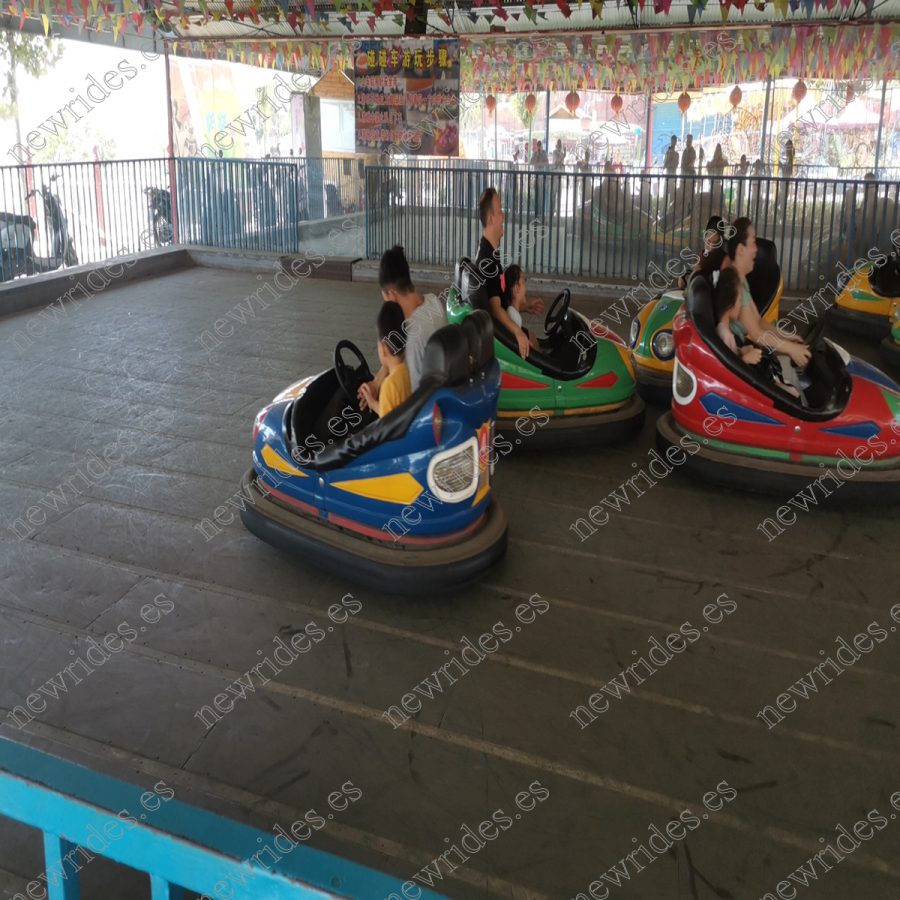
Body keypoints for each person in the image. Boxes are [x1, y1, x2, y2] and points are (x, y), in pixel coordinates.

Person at [358, 246, 447, 410]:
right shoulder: (433, 302)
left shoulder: (412, 336)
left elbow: (408, 406)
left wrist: (379, 404)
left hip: (424, 412)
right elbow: (396, 353)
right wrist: (377, 382)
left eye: (385, 298)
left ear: (392, 295)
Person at [721, 218, 811, 373]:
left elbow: (758, 321)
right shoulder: (733, 281)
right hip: (732, 358)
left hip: (740, 349)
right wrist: (791, 349)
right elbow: (756, 333)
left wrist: (788, 336)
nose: (756, 249)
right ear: (741, 249)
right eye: (753, 242)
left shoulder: (741, 280)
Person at [475, 187, 544, 359]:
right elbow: (495, 308)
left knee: (535, 339)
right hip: (500, 336)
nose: (503, 216)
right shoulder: (487, 261)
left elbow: (500, 297)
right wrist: (518, 333)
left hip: (500, 328)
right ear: (491, 218)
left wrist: (525, 306)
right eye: (500, 211)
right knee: (535, 346)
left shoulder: (491, 253)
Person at [715, 268, 803, 400]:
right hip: (739, 392)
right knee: (793, 395)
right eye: (740, 301)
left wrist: (741, 351)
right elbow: (726, 373)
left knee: (790, 388)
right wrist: (745, 359)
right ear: (730, 301)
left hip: (746, 376)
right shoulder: (724, 334)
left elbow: (728, 355)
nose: (742, 306)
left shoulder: (725, 330)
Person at [360, 302, 412, 417]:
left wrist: (373, 404)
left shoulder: (389, 385)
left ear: (383, 348)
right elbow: (391, 411)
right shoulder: (406, 372)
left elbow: (387, 422)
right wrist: (372, 402)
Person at [678, 215, 728, 290]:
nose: (711, 247)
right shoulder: (704, 254)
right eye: (708, 241)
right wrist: (684, 277)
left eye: (715, 243)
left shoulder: (723, 259)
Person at [502, 265, 540, 350]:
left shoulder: (511, 311)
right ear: (517, 288)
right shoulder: (514, 316)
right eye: (524, 281)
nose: (525, 286)